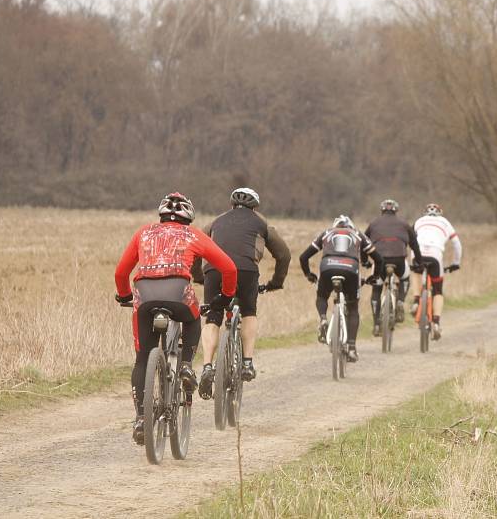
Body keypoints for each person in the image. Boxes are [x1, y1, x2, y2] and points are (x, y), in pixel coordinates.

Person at [114, 192, 237, 445]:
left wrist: (125, 295)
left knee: (141, 359)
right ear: (188, 217)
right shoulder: (193, 235)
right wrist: (225, 297)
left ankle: (140, 418)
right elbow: (229, 268)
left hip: (144, 297)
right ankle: (184, 366)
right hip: (178, 294)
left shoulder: (144, 233)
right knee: (193, 318)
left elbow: (121, 272)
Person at [192, 187, 291, 398]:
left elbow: (196, 245)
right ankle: (247, 362)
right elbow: (284, 255)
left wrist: (199, 277)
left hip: (215, 270)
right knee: (248, 312)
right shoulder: (261, 222)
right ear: (255, 206)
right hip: (246, 271)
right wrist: (276, 282)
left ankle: (208, 365)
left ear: (231, 204)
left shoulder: (217, 221)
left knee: (212, 316)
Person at [299, 215, 383, 363]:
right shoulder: (357, 233)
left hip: (328, 267)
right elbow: (378, 259)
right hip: (351, 268)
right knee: (353, 308)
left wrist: (308, 274)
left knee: (322, 296)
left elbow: (303, 257)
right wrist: (374, 277)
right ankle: (351, 348)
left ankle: (323, 319)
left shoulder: (327, 233)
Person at [363, 199, 424, 336]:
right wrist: (419, 262)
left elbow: (364, 243)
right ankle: (401, 301)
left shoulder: (373, 224)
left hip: (379, 260)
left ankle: (376, 324)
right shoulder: (404, 224)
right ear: (396, 211)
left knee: (377, 289)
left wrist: (365, 261)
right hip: (399, 259)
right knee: (405, 277)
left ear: (382, 210)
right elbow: (415, 245)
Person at [410, 203, 462, 341]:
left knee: (415, 271)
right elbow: (457, 243)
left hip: (418, 254)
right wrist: (456, 263)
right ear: (440, 213)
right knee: (438, 290)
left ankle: (416, 300)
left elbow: (409, 239)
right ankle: (437, 323)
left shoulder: (419, 221)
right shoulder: (445, 222)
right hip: (435, 255)